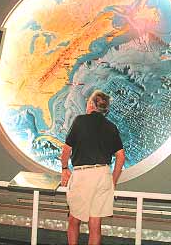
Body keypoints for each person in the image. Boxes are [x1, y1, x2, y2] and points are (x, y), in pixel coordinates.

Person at [61, 90, 125, 245]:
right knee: (95, 224)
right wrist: (113, 180)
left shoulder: (80, 121)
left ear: (91, 104)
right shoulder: (111, 126)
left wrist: (64, 168)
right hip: (103, 175)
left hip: (83, 176)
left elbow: (66, 150)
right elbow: (121, 156)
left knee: (74, 220)